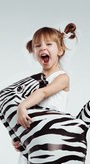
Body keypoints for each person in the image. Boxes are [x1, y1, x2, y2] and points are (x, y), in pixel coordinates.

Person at [12, 22, 77, 152]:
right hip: (36, 138)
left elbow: (43, 92)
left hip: (54, 135)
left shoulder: (62, 78)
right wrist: (19, 136)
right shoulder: (33, 81)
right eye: (37, 46)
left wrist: (22, 106)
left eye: (48, 44)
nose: (42, 48)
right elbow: (31, 111)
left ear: (60, 50)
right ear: (34, 53)